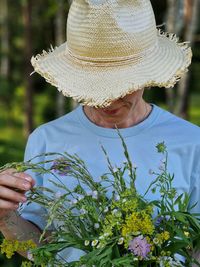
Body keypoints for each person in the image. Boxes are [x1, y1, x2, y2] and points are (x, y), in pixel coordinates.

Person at [0, 0, 199, 264]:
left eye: (123, 85)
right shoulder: (46, 140)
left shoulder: (191, 142)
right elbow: (40, 249)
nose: (108, 100)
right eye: (95, 84)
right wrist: (5, 217)